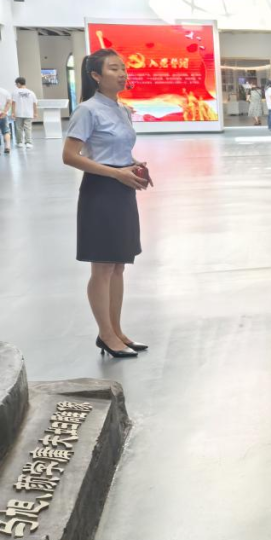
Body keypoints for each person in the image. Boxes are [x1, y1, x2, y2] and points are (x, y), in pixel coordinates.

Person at [61, 49, 152, 360]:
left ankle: (116, 330)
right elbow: (69, 156)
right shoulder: (87, 110)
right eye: (114, 68)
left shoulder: (122, 109)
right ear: (96, 76)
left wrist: (133, 164)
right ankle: (106, 334)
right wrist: (116, 173)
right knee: (102, 267)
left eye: (123, 68)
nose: (122, 73)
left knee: (118, 265)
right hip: (100, 191)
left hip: (123, 189)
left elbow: (115, 150)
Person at [12, 77, 37, 148]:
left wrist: (13, 112)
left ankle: (19, 142)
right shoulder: (31, 92)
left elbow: (13, 103)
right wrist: (35, 113)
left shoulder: (15, 92)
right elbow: (34, 103)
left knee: (18, 128)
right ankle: (28, 143)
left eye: (16, 84)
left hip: (18, 113)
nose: (16, 85)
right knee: (28, 128)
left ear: (18, 84)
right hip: (29, 113)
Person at [0, 83, 11, 154]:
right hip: (3, 114)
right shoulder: (5, 91)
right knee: (6, 131)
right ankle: (7, 147)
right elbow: (9, 102)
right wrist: (4, 112)